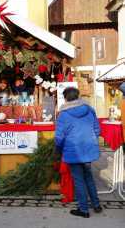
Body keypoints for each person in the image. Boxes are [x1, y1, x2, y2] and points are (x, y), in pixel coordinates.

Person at [55, 87, 102, 218]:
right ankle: (96, 205)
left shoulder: (64, 114)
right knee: (89, 177)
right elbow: (97, 130)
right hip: (88, 149)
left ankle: (84, 210)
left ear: (65, 98)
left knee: (79, 180)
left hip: (74, 151)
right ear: (78, 96)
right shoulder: (89, 109)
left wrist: (58, 150)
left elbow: (59, 137)